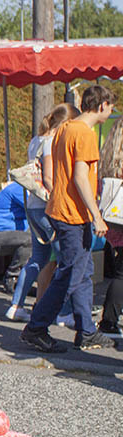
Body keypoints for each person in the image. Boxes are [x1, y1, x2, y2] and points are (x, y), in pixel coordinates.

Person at [22, 84, 117, 353]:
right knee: (68, 276)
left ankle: (86, 330)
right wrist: (97, 215)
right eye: (109, 108)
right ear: (101, 106)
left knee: (82, 272)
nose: (109, 113)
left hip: (63, 209)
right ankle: (36, 328)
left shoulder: (66, 127)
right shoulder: (85, 134)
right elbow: (78, 177)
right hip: (72, 213)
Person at [7, 103, 78, 321]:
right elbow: (49, 177)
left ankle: (16, 305)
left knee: (38, 258)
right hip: (47, 206)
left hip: (33, 206)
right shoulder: (51, 142)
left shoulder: (36, 140)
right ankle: (62, 311)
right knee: (65, 258)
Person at [95, 112, 123, 336]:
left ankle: (109, 320)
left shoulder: (108, 158)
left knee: (120, 270)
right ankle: (109, 321)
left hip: (114, 221)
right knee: (121, 274)